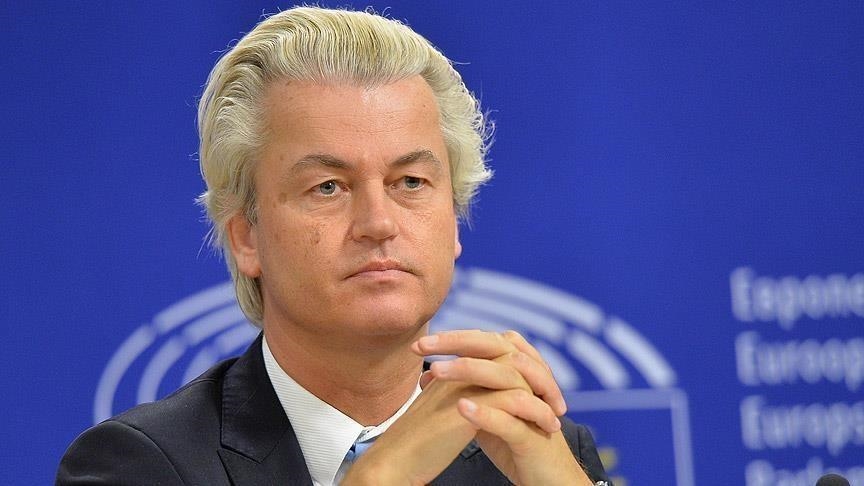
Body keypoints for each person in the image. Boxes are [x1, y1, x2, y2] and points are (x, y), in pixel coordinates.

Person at [57, 6, 611, 485]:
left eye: (410, 182)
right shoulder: (138, 465)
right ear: (246, 237)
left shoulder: (534, 449)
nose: (378, 223)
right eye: (328, 187)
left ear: (454, 220)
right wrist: (382, 474)